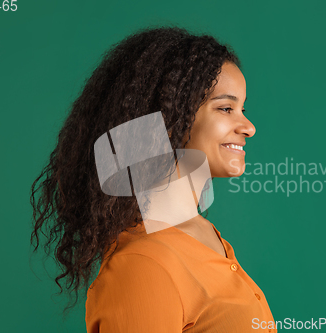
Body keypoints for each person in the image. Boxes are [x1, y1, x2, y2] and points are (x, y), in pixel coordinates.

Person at [30, 26, 277, 332]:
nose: (248, 127)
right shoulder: (143, 265)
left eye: (242, 108)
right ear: (169, 118)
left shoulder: (206, 235)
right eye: (226, 108)